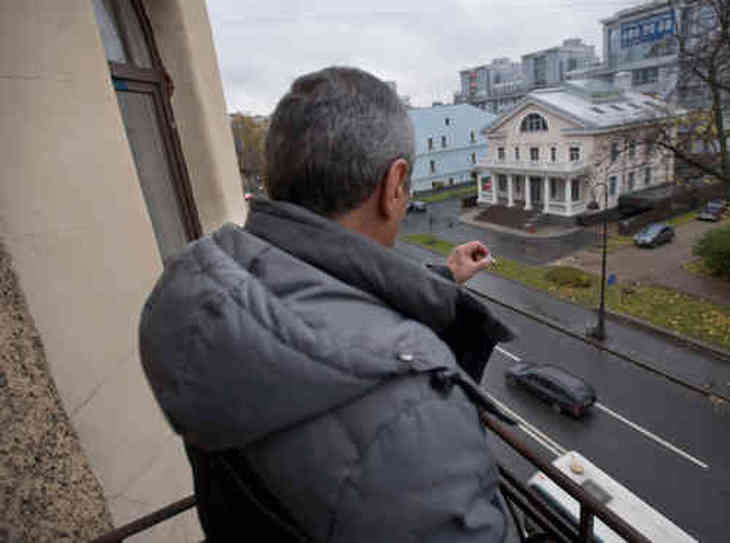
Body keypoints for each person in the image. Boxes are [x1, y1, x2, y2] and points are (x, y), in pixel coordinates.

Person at [139, 66, 514, 542]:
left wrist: (442, 278)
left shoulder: (203, 290)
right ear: (394, 183)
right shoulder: (410, 407)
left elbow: (315, 292)